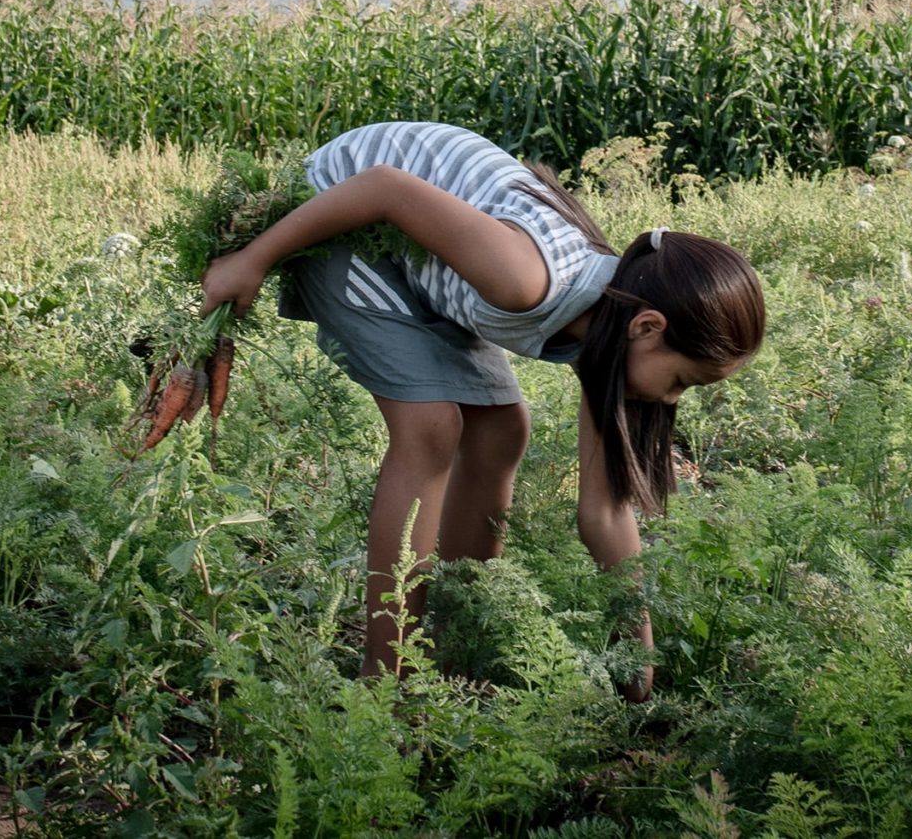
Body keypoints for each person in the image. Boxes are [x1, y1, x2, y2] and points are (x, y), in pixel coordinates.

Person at [197, 120, 765, 693]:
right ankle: (387, 675)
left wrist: (636, 651)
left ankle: (456, 636)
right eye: (681, 381)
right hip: (343, 210)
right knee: (431, 428)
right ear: (648, 326)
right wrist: (254, 257)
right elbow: (386, 188)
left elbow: (604, 514)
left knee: (501, 432)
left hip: (422, 260)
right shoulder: (525, 279)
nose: (670, 400)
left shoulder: (608, 343)